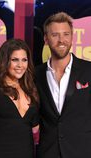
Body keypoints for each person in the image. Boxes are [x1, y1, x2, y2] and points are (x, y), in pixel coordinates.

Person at [35, 12, 91, 158]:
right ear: (46, 39)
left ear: (72, 37)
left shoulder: (88, 70)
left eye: (66, 34)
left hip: (83, 152)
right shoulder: (35, 74)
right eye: (55, 35)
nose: (61, 40)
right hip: (48, 152)